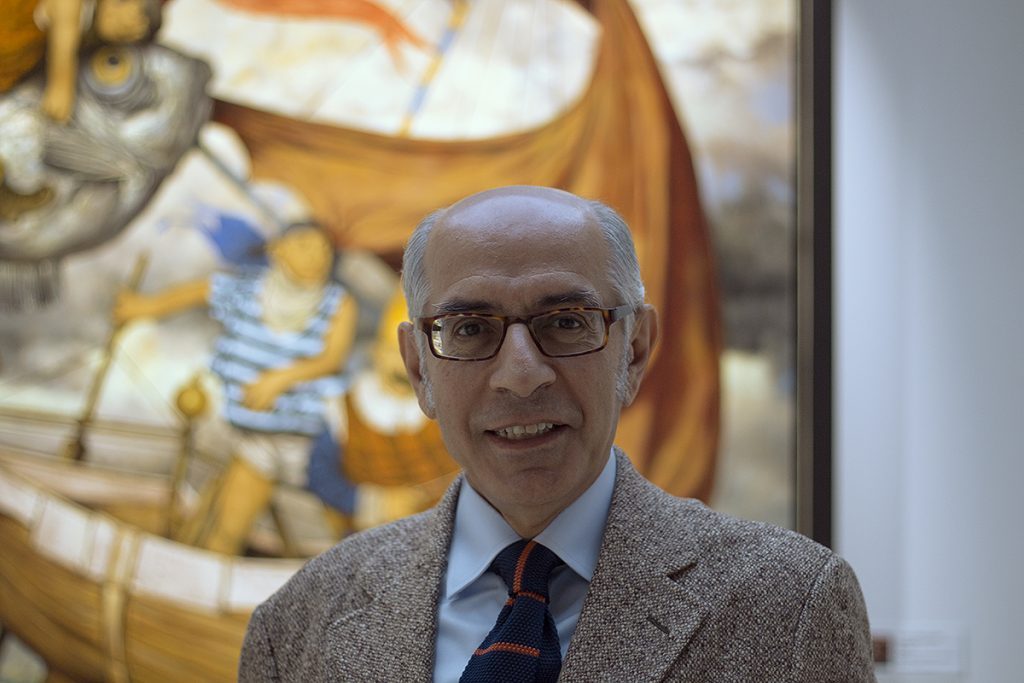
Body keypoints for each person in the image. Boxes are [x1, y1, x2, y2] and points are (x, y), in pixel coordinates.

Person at [239, 186, 875, 681]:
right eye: (470, 329)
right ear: (418, 368)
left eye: (566, 322)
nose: (521, 376)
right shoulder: (298, 625)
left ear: (634, 350)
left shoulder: (790, 608)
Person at [115, 221, 358, 554]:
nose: (317, 257)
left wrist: (278, 379)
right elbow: (199, 291)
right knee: (227, 526)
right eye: (305, 246)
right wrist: (144, 308)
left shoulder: (336, 303)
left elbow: (331, 359)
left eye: (324, 250)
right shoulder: (247, 291)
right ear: (277, 250)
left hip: (315, 441)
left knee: (345, 524)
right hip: (259, 438)